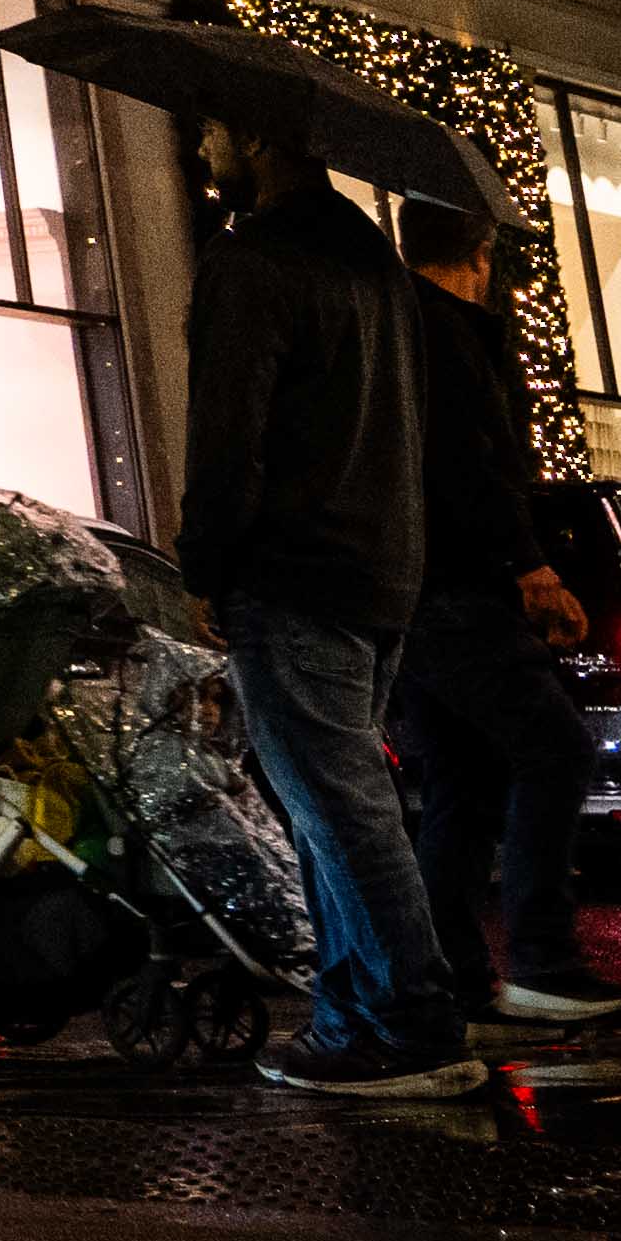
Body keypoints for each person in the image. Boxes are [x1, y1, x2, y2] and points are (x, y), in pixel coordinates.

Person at [177, 118, 473, 1098]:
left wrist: (205, 564)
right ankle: (354, 1017)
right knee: (329, 802)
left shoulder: (251, 261)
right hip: (381, 566)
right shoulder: (371, 258)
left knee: (339, 807)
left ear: (264, 143)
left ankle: (410, 1023)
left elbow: (229, 431)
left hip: (296, 570)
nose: (204, 151)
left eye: (217, 133)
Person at [390, 201, 621, 1031]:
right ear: (483, 251)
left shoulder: (400, 328)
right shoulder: (447, 335)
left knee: (462, 775)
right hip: (460, 587)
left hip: (415, 589)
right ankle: (544, 962)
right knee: (553, 747)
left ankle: (458, 972)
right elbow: (471, 469)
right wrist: (530, 566)